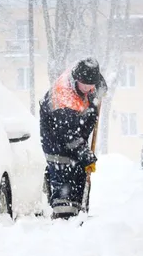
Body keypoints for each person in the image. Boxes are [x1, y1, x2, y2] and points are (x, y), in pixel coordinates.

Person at [39, 57, 105, 219]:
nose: (90, 89)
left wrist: (99, 91)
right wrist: (87, 155)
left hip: (75, 140)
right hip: (57, 144)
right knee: (65, 189)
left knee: (80, 177)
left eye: (92, 85)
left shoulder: (84, 78)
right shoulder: (64, 100)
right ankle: (63, 221)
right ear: (77, 80)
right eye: (86, 86)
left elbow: (100, 85)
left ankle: (79, 215)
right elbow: (68, 136)